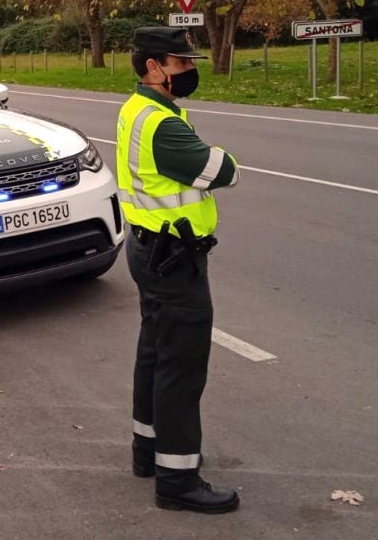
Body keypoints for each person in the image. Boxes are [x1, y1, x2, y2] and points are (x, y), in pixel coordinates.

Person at [115, 27, 241, 513]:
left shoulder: (140, 109)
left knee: (155, 352)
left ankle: (147, 451)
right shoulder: (163, 125)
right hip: (173, 258)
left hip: (150, 248)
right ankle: (178, 478)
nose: (191, 70)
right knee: (182, 366)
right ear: (154, 68)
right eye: (182, 63)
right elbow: (222, 170)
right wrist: (223, 157)